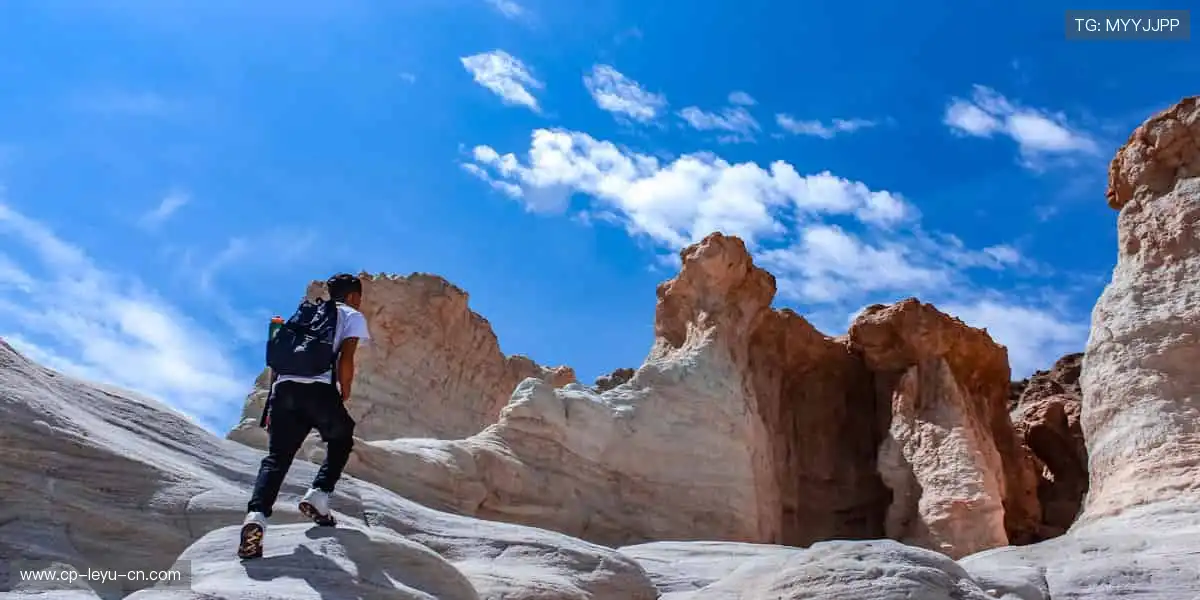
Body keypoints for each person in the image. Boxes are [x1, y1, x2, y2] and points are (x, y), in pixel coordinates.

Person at [237, 273, 371, 559]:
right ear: (351, 296)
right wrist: (344, 390)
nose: (359, 302)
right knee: (342, 437)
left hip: (283, 391)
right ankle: (319, 495)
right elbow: (346, 358)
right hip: (318, 390)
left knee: (277, 459)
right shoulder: (350, 315)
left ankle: (256, 518)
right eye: (359, 297)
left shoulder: (308, 314)